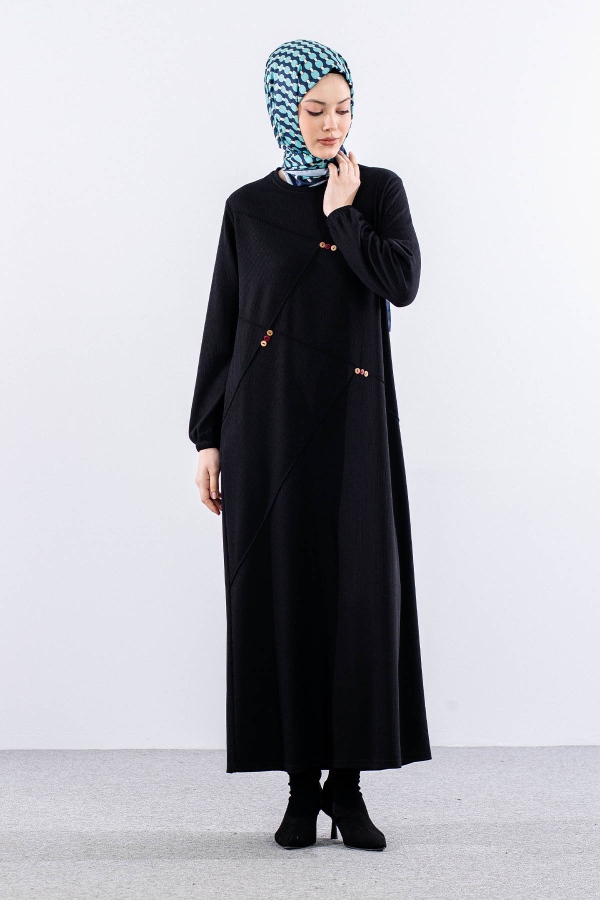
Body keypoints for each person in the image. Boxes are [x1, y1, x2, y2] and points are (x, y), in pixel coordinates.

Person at [188, 38, 431, 851]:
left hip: (355, 429)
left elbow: (401, 283)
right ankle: (299, 791)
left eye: (344, 108)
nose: (332, 124)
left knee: (359, 600)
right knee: (283, 595)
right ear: (283, 111)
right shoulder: (246, 209)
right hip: (265, 430)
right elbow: (225, 323)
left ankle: (347, 789)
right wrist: (208, 437)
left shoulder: (377, 191)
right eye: (315, 109)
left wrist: (341, 213)